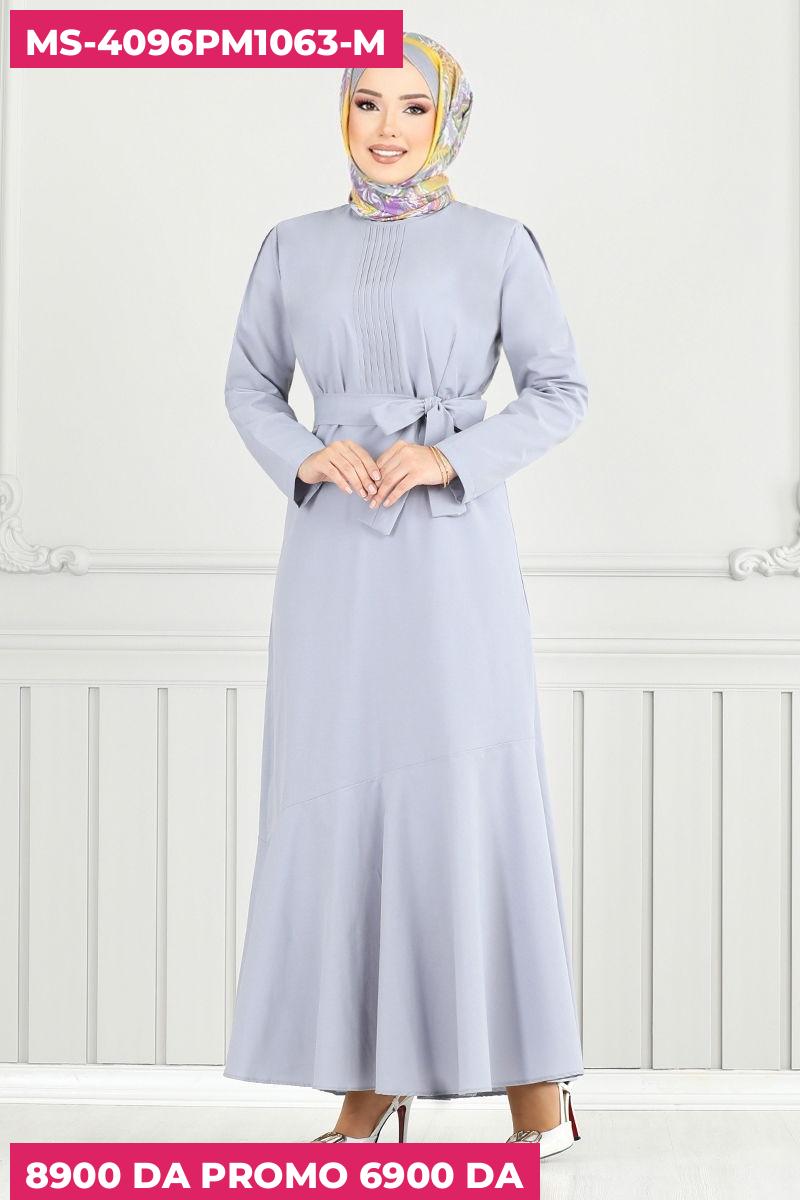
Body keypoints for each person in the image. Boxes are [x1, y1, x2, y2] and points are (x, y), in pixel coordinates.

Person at [222, 30, 587, 1160]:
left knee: (467, 798)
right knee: (341, 803)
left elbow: (559, 388)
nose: (388, 128)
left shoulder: (497, 245)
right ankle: (369, 1081)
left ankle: (535, 1086)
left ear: (448, 120)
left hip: (449, 554)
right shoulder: (290, 246)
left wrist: (450, 457)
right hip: (333, 554)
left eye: (413, 107)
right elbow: (248, 383)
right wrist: (305, 449)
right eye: (368, 103)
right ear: (342, 112)